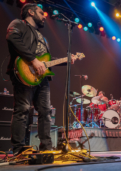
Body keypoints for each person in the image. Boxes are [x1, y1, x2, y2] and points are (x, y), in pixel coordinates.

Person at [6, 3, 76, 155]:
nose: (44, 16)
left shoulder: (43, 38)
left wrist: (67, 60)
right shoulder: (18, 24)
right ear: (30, 12)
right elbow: (12, 37)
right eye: (40, 12)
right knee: (22, 109)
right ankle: (18, 149)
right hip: (23, 72)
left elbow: (46, 61)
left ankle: (46, 148)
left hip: (41, 78)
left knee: (45, 111)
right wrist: (33, 60)